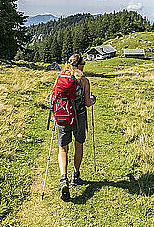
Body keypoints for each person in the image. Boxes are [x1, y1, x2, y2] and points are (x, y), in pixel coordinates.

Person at [55, 54, 96, 199]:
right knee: (79, 145)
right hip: (79, 117)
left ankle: (63, 179)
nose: (84, 66)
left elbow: (52, 98)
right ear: (78, 65)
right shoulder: (84, 81)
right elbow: (87, 102)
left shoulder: (60, 78)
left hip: (63, 117)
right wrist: (93, 100)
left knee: (63, 148)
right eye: (83, 63)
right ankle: (75, 175)